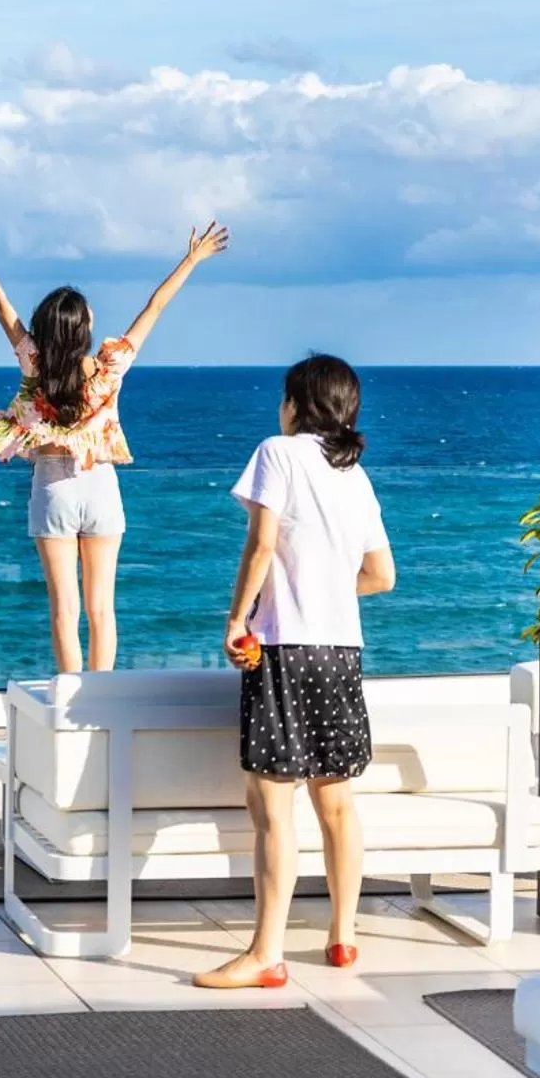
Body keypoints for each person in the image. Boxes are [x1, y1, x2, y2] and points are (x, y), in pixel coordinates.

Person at [0, 214, 230, 673]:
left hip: (53, 490)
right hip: (100, 487)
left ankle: (71, 692)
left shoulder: (34, 364)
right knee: (101, 609)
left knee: (64, 610)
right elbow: (154, 308)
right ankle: (102, 698)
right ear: (83, 329)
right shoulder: (110, 367)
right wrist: (191, 259)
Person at [195, 354, 396, 987]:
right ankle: (343, 937)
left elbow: (260, 544)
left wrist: (238, 618)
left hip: (284, 650)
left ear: (297, 404)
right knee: (336, 802)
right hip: (342, 653)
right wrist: (325, 587)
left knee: (272, 809)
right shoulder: (355, 477)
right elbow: (382, 577)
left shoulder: (277, 454)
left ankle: (266, 955)